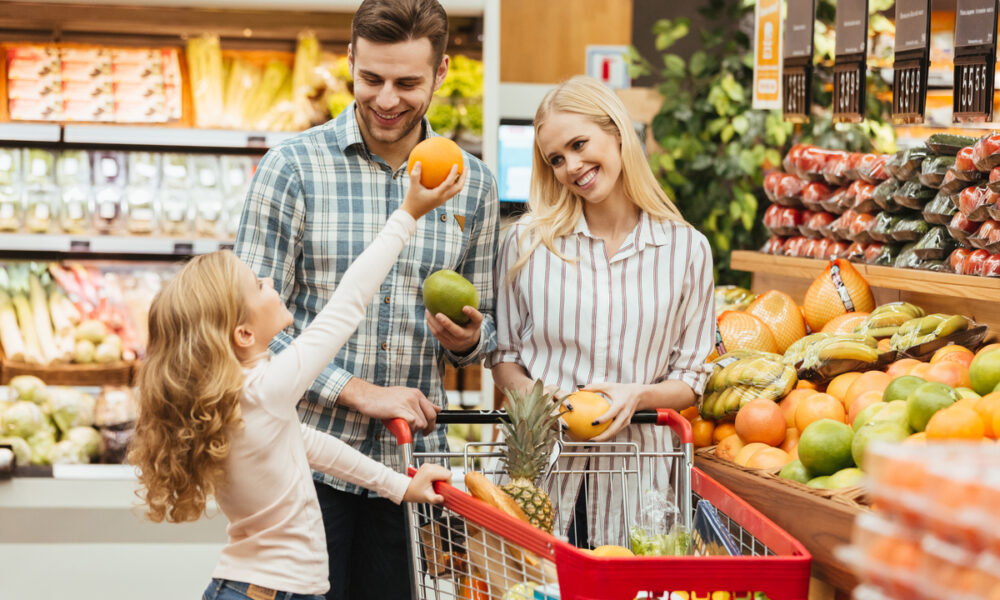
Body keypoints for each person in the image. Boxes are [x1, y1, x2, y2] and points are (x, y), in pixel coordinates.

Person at [233, 0, 499, 597]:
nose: (385, 99)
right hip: (299, 461)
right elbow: (240, 327)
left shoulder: (472, 185)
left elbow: (486, 330)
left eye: (407, 82)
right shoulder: (292, 169)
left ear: (441, 72)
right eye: (371, 78)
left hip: (411, 466)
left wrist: (470, 339)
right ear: (350, 59)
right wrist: (356, 392)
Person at [129, 163, 463, 600]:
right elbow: (347, 306)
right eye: (258, 286)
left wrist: (399, 487)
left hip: (250, 587)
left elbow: (312, 445)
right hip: (273, 593)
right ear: (243, 334)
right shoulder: (264, 391)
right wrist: (408, 213)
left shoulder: (243, 398)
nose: (270, 281)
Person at [486, 75, 716, 548]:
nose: (572, 166)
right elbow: (503, 355)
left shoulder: (686, 249)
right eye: (556, 159)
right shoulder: (527, 245)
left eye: (578, 144)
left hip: (639, 482)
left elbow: (692, 378)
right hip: (540, 477)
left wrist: (638, 395)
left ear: (615, 131)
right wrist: (537, 399)